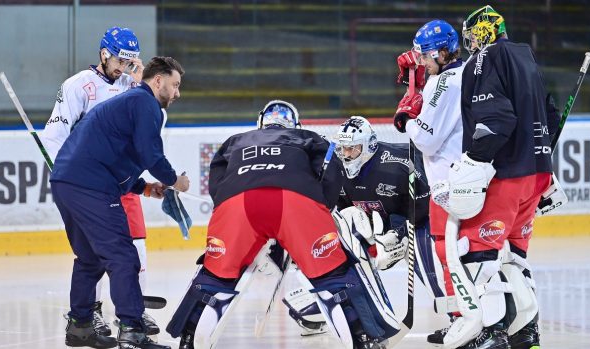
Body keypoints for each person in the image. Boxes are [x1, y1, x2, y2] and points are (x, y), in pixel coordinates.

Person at [167, 101, 402, 349]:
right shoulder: (307, 137)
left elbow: (216, 181)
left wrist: (228, 210)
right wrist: (322, 208)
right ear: (294, 123)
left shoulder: (235, 140)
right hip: (297, 203)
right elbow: (332, 170)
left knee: (214, 276)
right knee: (334, 276)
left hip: (237, 204)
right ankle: (362, 337)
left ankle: (189, 337)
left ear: (260, 123)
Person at [434, 5, 560, 349]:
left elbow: (495, 119)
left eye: (473, 35)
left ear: (486, 32)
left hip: (506, 174)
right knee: (515, 257)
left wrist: (474, 161)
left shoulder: (485, 59)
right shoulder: (524, 55)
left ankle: (491, 333)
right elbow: (550, 112)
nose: (471, 43)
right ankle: (526, 332)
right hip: (536, 174)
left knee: (478, 252)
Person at [51, 56, 188, 349]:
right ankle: (132, 331)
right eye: (175, 85)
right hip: (90, 187)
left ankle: (80, 327)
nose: (177, 93)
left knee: (90, 259)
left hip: (67, 182)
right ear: (158, 80)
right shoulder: (144, 103)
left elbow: (116, 155)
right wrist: (175, 180)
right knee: (124, 257)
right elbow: (150, 154)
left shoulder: (130, 104)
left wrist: (145, 187)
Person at [41, 26, 160, 337]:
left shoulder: (132, 86)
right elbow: (54, 137)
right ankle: (90, 314)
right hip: (90, 184)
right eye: (120, 61)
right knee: (95, 253)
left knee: (135, 246)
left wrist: (142, 86)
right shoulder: (78, 86)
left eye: (131, 62)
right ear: (104, 54)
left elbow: (152, 126)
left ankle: (135, 309)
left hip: (123, 180)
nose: (123, 68)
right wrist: (73, 179)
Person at [283, 115, 444, 337]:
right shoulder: (335, 170)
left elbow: (426, 203)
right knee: (340, 250)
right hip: (377, 227)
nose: (346, 155)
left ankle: (455, 311)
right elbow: (338, 212)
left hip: (415, 221)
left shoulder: (398, 163)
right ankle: (340, 309)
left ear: (369, 145)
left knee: (429, 267)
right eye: (343, 149)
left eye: (353, 149)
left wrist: (400, 231)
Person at [393, 20, 466, 346]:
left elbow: (426, 139)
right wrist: (421, 89)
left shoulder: (444, 83)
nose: (420, 61)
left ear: (441, 52)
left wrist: (408, 117)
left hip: (447, 185)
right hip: (465, 178)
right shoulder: (462, 75)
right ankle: (467, 318)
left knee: (448, 254)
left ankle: (465, 320)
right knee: (466, 255)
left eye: (424, 56)